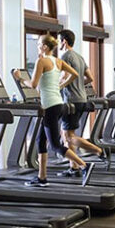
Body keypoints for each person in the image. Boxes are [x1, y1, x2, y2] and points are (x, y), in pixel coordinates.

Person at [13, 34, 93, 186]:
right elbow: (75, 74)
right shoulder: (58, 61)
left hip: (50, 106)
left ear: (44, 47)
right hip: (58, 104)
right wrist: (61, 85)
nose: (37, 46)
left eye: (38, 44)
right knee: (40, 140)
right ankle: (42, 178)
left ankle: (84, 165)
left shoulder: (41, 61)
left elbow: (33, 84)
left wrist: (19, 78)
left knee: (56, 145)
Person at [57, 29, 107, 177]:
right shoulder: (79, 57)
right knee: (67, 133)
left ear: (64, 41)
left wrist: (57, 87)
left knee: (68, 137)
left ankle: (99, 151)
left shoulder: (65, 56)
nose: (58, 44)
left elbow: (65, 76)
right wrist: (78, 84)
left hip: (71, 100)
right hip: (82, 99)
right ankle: (74, 167)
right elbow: (90, 78)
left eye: (59, 40)